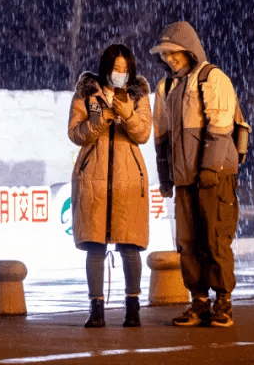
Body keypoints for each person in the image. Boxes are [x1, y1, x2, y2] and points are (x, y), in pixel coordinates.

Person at [149, 21, 241, 328]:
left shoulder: (212, 79)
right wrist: (165, 177)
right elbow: (161, 137)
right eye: (164, 54)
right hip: (184, 179)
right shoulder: (165, 87)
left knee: (215, 240)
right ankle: (199, 302)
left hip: (214, 176)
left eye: (174, 52)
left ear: (189, 50)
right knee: (187, 242)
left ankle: (224, 303)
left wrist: (208, 168)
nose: (169, 59)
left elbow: (220, 127)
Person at [67, 43, 152, 328]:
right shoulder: (86, 92)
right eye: (116, 69)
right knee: (95, 246)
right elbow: (76, 134)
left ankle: (133, 307)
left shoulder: (138, 94)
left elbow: (143, 133)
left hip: (129, 179)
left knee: (130, 246)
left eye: (125, 69)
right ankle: (96, 309)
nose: (121, 74)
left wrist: (127, 113)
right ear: (106, 68)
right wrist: (102, 117)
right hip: (94, 178)